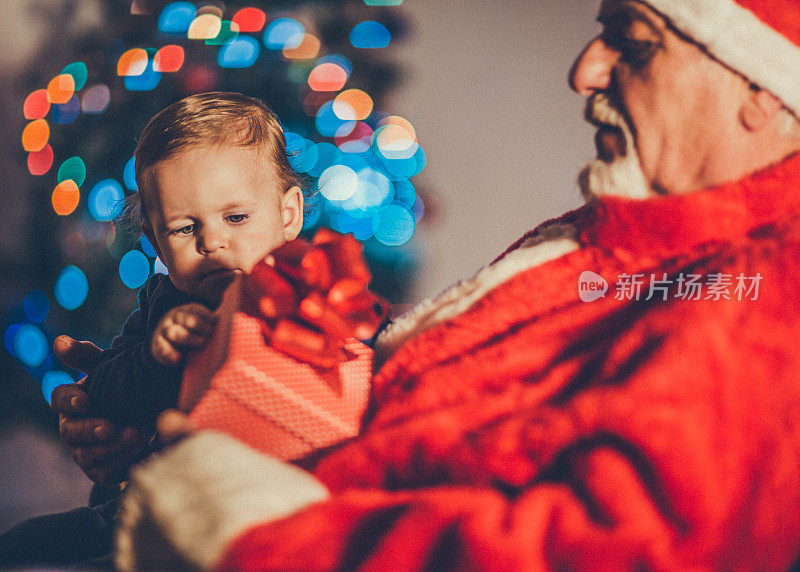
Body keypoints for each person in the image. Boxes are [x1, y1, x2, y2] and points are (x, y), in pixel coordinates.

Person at [56, 0, 800, 569]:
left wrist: (255, 527)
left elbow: (616, 543)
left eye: (633, 40)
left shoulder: (755, 297)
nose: (585, 70)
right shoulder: (617, 238)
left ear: (761, 89)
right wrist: (129, 428)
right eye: (183, 229)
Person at [0, 91, 306, 568]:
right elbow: (105, 391)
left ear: (288, 215)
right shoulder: (161, 304)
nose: (212, 240)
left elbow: (370, 355)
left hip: (279, 498)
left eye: (236, 217)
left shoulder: (315, 292)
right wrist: (160, 355)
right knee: (25, 546)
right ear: (156, 244)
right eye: (185, 228)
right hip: (155, 504)